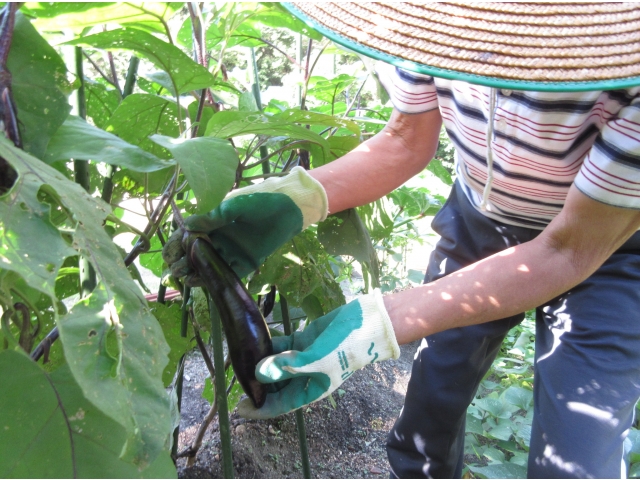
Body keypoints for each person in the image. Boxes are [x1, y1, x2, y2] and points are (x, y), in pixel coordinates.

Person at [163, 4, 640, 477]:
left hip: (609, 249)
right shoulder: (433, 21)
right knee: (431, 405)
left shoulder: (631, 71)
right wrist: (293, 199)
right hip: (478, 222)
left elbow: (567, 250)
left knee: (580, 457)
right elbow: (405, 141)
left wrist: (381, 321)